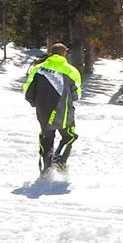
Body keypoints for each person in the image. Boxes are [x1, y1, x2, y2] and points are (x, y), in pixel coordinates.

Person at [23, 42, 82, 175]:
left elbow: (28, 91)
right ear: (64, 53)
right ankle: (60, 159)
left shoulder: (38, 68)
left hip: (43, 110)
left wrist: (37, 103)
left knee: (46, 138)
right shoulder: (72, 71)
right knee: (69, 135)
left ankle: (44, 169)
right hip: (64, 110)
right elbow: (77, 94)